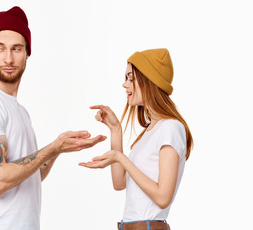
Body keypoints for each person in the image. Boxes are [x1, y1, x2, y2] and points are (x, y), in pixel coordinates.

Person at [0, 6, 106, 230]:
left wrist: (58, 150)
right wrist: (52, 147)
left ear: (27, 53)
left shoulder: (18, 110)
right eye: (0, 48)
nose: (8, 58)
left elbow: (27, 176)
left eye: (17, 49)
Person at [79, 48, 193, 230]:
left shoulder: (170, 128)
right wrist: (116, 130)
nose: (125, 84)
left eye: (131, 79)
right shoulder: (150, 133)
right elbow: (119, 183)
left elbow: (163, 198)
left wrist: (120, 158)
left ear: (149, 81)